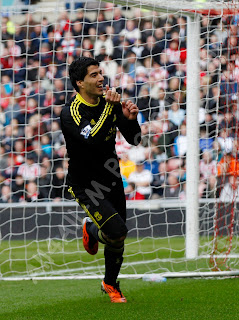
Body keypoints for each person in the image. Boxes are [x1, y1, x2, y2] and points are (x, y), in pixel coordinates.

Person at [60, 57, 141, 303]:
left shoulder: (111, 104)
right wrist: (110, 108)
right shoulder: (70, 112)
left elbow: (134, 139)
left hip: (111, 177)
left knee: (118, 237)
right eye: (94, 75)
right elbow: (92, 139)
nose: (100, 79)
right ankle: (93, 231)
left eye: (100, 73)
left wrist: (130, 119)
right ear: (79, 83)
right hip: (86, 185)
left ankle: (110, 283)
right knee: (117, 231)